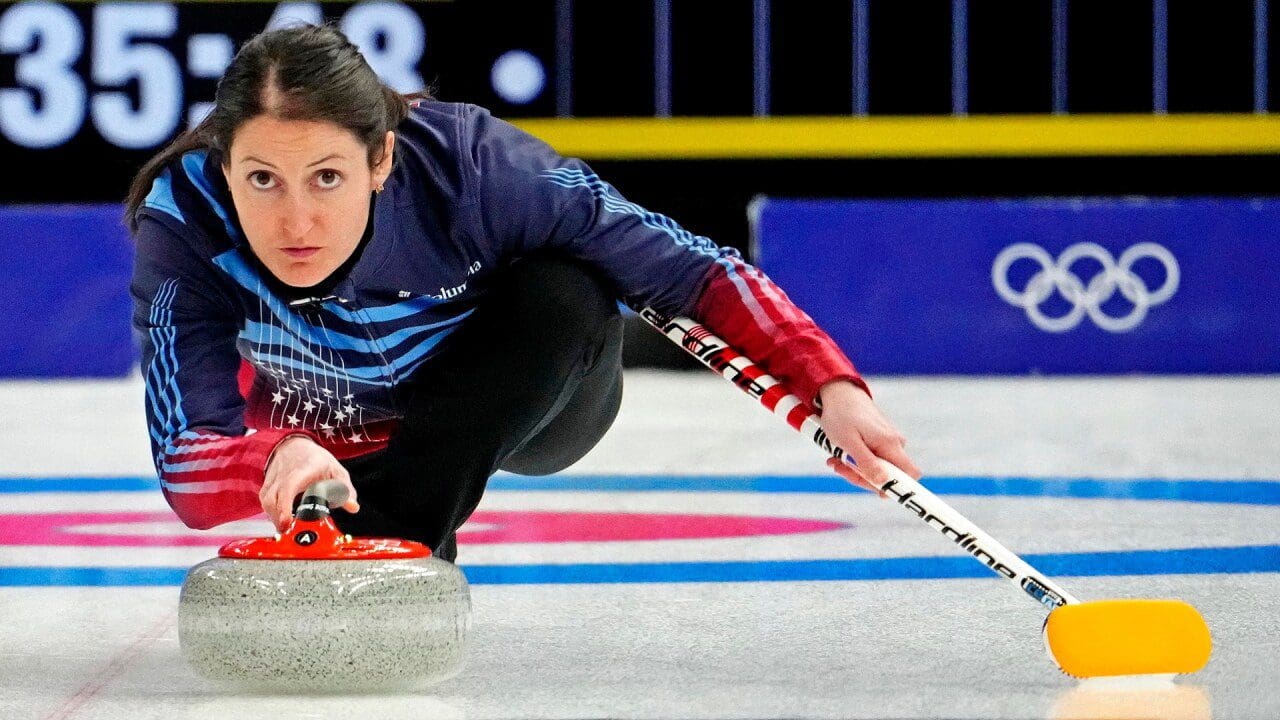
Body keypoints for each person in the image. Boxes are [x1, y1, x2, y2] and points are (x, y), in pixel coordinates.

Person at [127, 24, 920, 562]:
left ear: (381, 161)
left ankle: (393, 540)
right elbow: (186, 463)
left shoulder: (483, 171)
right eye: (261, 179)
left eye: (326, 177)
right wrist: (274, 454)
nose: (294, 219)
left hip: (534, 410)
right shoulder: (185, 223)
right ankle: (374, 512)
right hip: (323, 434)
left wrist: (830, 385)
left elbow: (694, 271)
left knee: (566, 287)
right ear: (224, 167)